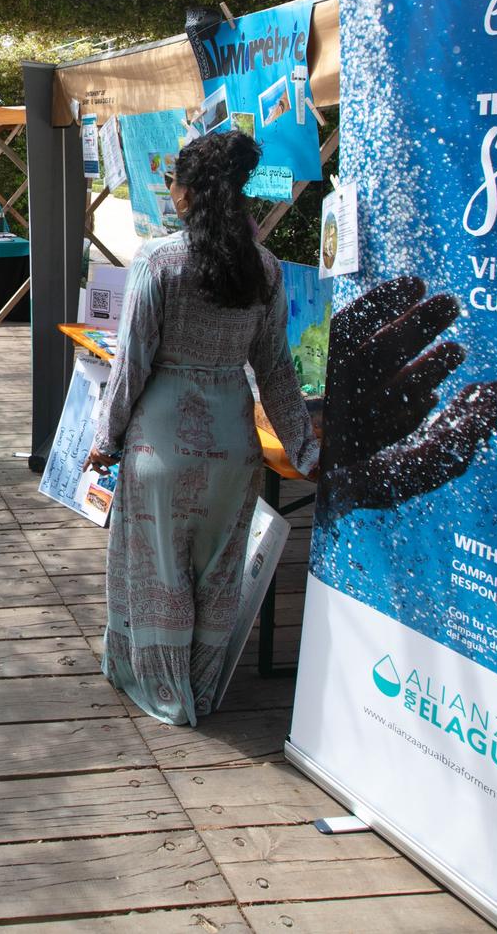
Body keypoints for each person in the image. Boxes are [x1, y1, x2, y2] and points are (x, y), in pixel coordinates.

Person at [83, 131, 317, 728]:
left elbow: (131, 364)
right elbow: (277, 372)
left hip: (160, 441)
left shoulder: (159, 261)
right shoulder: (263, 267)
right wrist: (305, 448)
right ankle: (202, 689)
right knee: (218, 575)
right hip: (235, 448)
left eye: (172, 184)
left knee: (159, 573)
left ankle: (165, 693)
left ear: (186, 194)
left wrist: (104, 442)